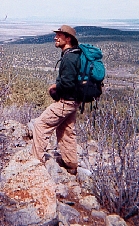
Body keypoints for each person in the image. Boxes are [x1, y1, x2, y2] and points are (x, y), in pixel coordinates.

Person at [31, 25, 81, 175]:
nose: (55, 37)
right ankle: (71, 165)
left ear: (68, 38)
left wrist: (54, 88)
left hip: (66, 102)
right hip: (74, 101)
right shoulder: (75, 54)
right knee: (65, 130)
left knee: (40, 125)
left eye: (59, 35)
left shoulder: (69, 57)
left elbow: (67, 84)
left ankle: (35, 162)